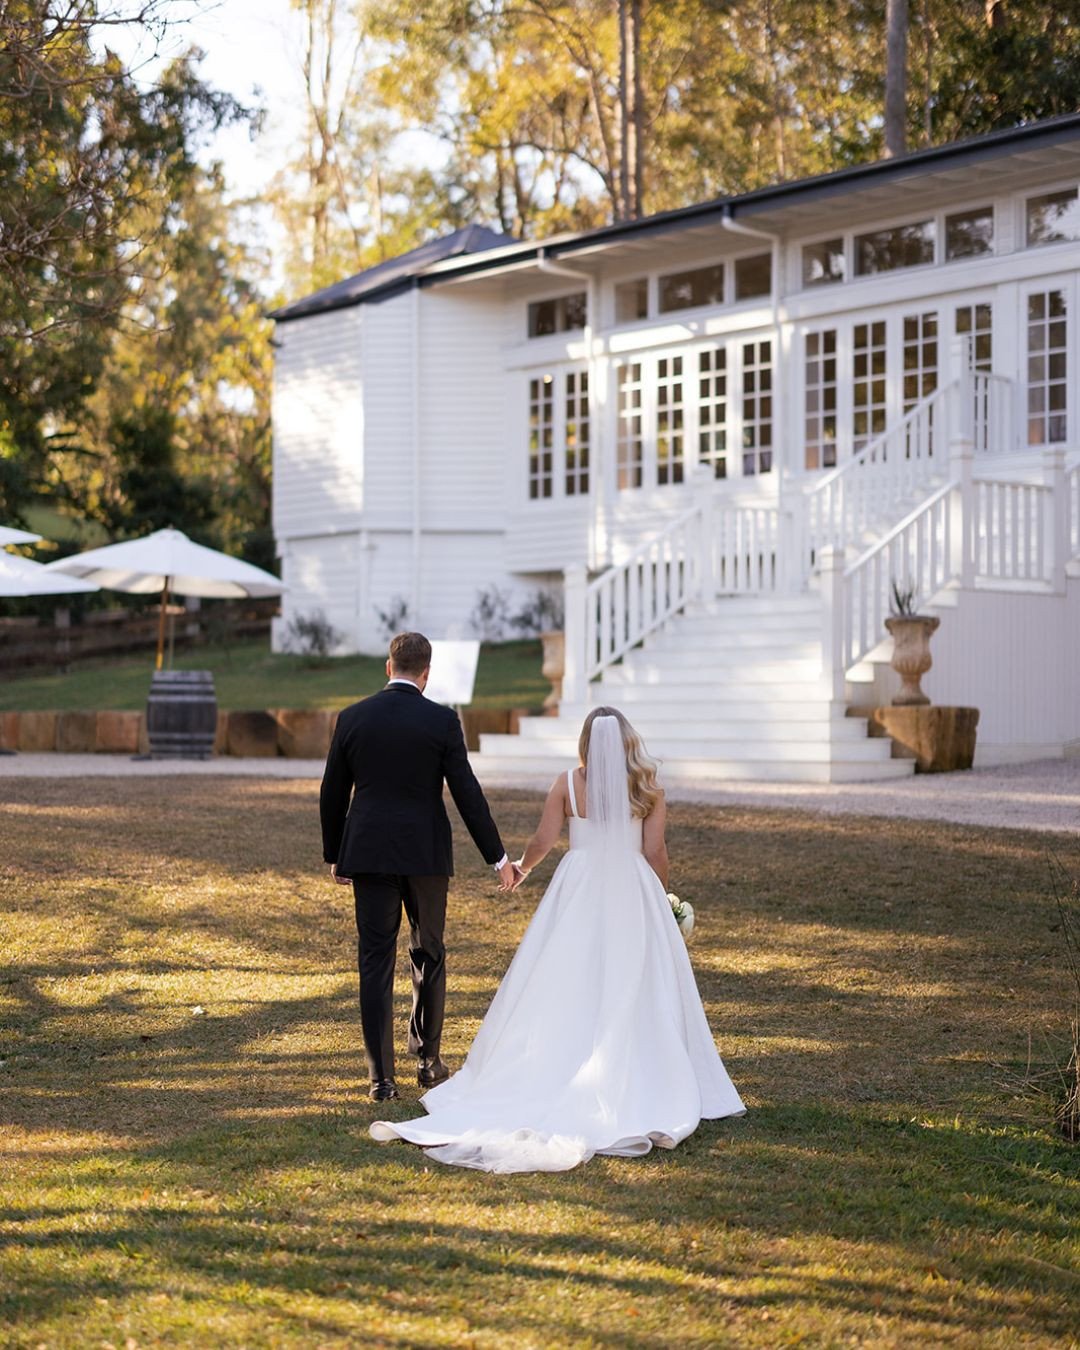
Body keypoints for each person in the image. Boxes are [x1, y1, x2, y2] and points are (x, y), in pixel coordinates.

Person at [370, 705, 745, 1171]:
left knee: (566, 974)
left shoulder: (567, 783)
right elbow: (654, 850)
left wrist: (522, 868)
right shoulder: (648, 788)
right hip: (631, 888)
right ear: (627, 740)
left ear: (586, 742)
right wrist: (662, 895)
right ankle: (640, 1072)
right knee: (636, 976)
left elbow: (544, 839)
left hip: (579, 885)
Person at [320, 631, 517, 1103]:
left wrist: (336, 854)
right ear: (425, 675)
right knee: (428, 953)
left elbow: (332, 792)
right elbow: (467, 793)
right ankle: (428, 1063)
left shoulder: (352, 718)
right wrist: (499, 857)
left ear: (389, 668)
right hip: (426, 854)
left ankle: (380, 1080)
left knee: (375, 960)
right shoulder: (442, 722)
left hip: (367, 853)